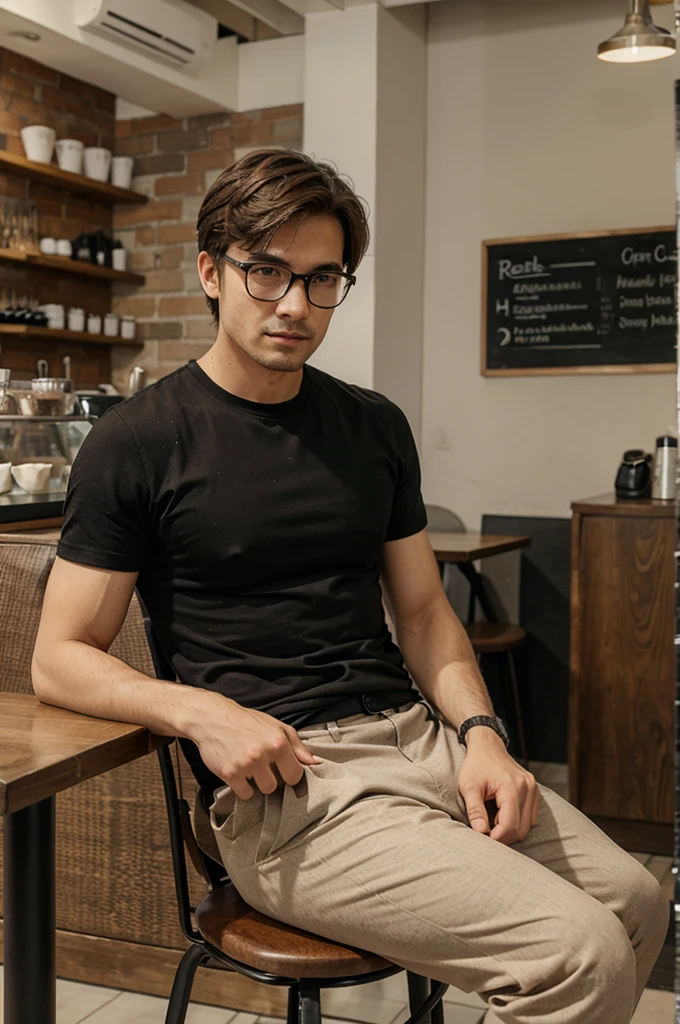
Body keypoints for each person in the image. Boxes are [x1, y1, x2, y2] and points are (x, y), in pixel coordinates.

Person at [33, 149, 668, 1024]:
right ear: (213, 272)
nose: (294, 305)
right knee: (576, 953)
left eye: (322, 278)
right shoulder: (140, 442)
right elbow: (59, 658)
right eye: (267, 272)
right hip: (291, 792)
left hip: (419, 744)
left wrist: (483, 736)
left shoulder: (372, 425)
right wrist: (199, 711)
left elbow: (421, 611)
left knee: (637, 902)